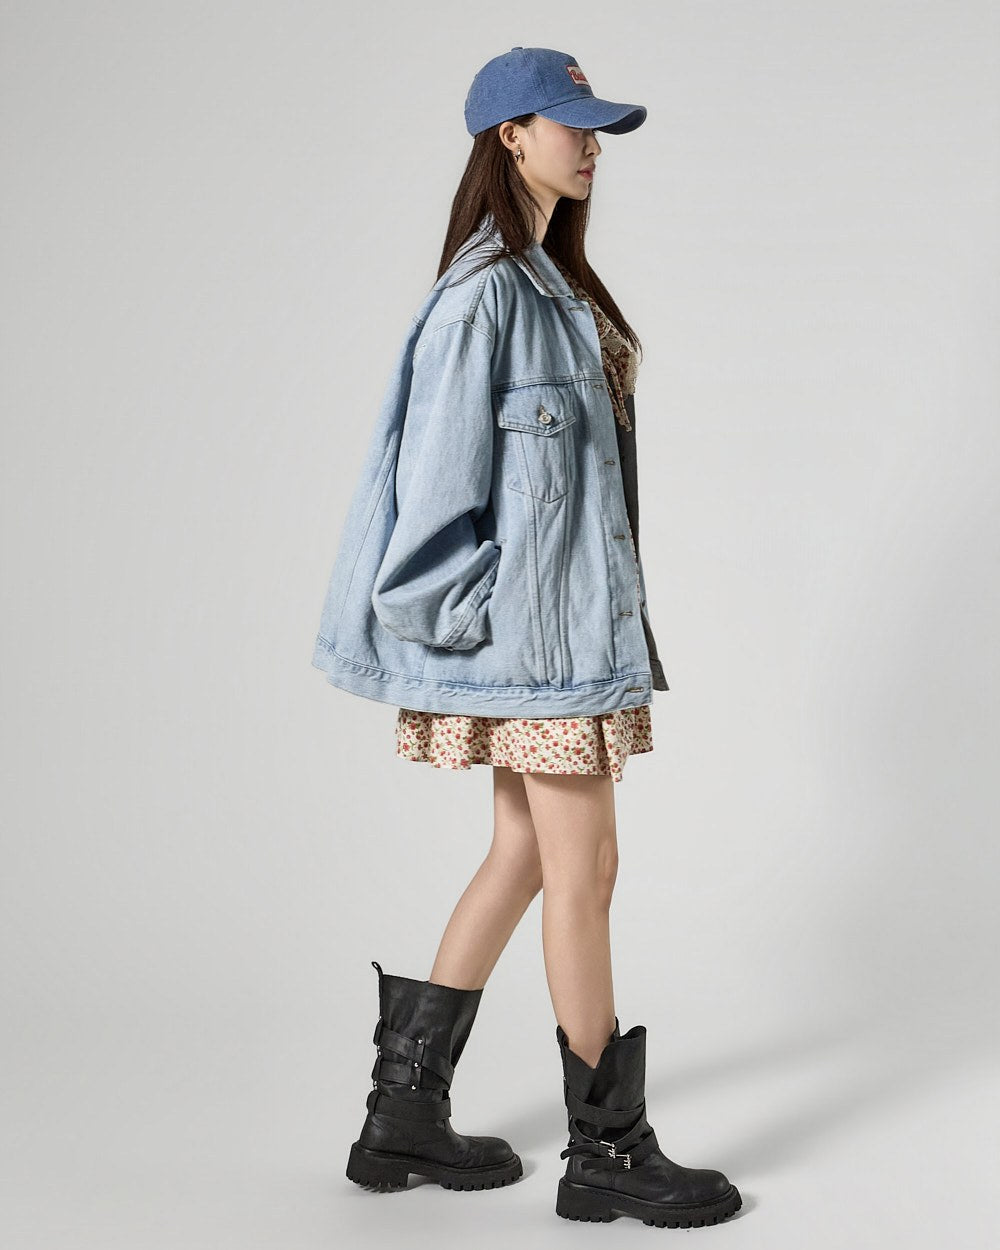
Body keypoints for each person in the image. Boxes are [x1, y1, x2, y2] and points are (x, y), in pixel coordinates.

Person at [312, 46, 742, 1229]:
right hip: (538, 651)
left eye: (596, 126)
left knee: (521, 852)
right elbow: (429, 500)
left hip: (567, 635)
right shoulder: (484, 296)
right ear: (509, 134)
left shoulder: (550, 277)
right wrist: (490, 630)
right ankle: (607, 1148)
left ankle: (403, 1116)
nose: (590, 143)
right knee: (583, 868)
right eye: (569, 123)